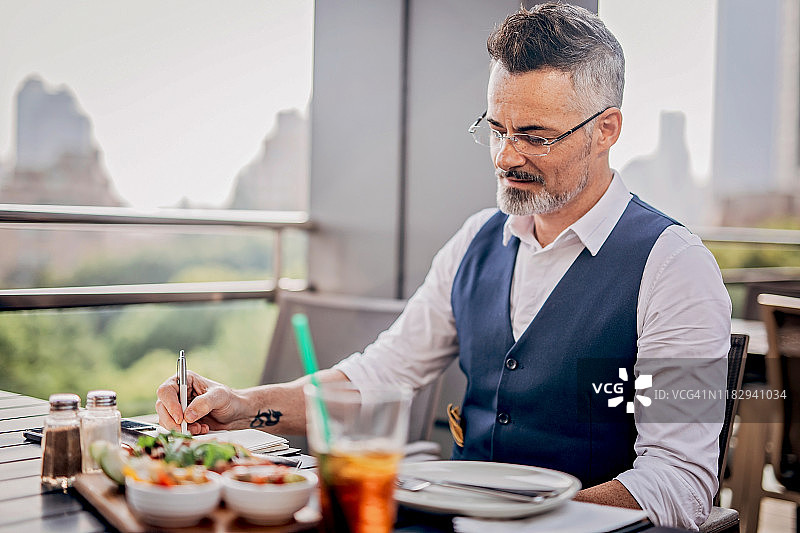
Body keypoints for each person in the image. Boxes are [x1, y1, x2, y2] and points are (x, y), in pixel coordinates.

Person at [156, 4, 731, 530]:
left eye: (535, 136)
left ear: (607, 129)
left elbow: (678, 484)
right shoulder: (474, 241)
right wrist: (246, 407)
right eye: (497, 129)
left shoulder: (674, 267)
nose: (507, 157)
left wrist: (515, 516)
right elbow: (380, 376)